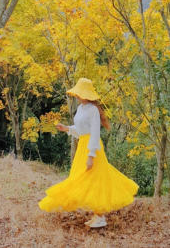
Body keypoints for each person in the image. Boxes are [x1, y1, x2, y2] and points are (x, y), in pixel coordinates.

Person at [38, 78, 137, 228]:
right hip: (83, 146)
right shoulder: (81, 109)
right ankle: (97, 215)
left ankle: (100, 217)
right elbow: (82, 130)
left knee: (95, 179)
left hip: (93, 147)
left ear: (87, 95)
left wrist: (91, 155)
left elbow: (95, 133)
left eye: (80, 94)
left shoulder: (93, 110)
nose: (77, 96)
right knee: (83, 179)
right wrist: (66, 128)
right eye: (77, 93)